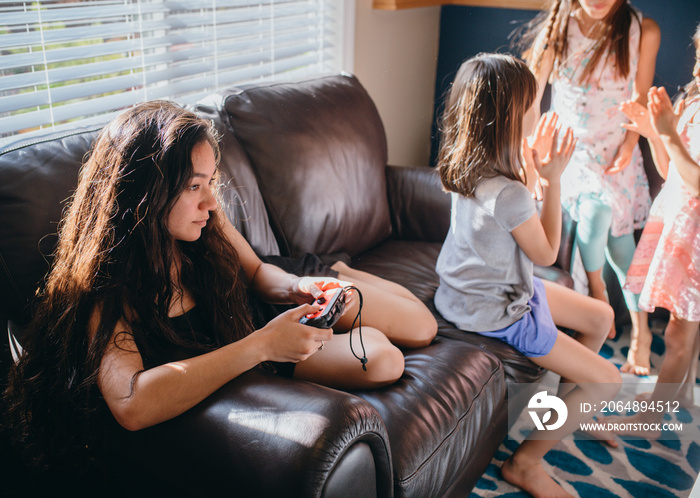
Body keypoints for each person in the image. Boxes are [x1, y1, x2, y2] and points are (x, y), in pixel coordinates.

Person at [4, 101, 437, 479]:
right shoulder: (103, 288)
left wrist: (300, 285)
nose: (211, 202)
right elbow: (132, 403)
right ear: (145, 193)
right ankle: (338, 281)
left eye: (210, 182)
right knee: (384, 360)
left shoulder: (206, 221)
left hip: (270, 301)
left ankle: (340, 268)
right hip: (254, 342)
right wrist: (265, 346)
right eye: (194, 185)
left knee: (422, 327)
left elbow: (256, 273)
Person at [434, 53, 621, 498]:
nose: (538, 110)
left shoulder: (466, 165)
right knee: (610, 379)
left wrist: (536, 168)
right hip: (497, 310)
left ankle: (566, 411)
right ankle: (525, 462)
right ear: (509, 117)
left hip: (465, 292)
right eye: (531, 104)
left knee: (600, 318)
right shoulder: (510, 192)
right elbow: (547, 252)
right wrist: (554, 179)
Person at [517, 0, 661, 376]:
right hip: (571, 154)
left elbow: (639, 99)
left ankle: (641, 335)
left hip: (616, 153)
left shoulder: (643, 31)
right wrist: (530, 156)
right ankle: (599, 296)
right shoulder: (557, 29)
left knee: (620, 247)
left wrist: (630, 148)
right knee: (596, 216)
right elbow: (530, 102)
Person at [611, 23, 700, 431]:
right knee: (686, 324)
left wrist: (667, 133)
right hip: (678, 223)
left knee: (681, 332)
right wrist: (652, 134)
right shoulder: (692, 101)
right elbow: (670, 171)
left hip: (696, 236)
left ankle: (651, 416)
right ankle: (678, 393)